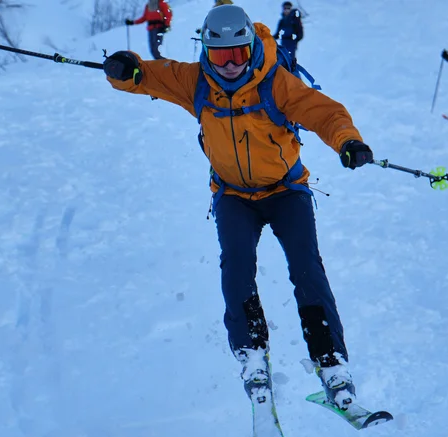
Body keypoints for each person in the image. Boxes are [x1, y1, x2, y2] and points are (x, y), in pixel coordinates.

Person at [102, 4, 375, 410]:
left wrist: (347, 141)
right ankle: (252, 358)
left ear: (250, 48)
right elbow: (146, 77)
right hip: (232, 196)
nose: (229, 64)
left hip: (286, 191)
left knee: (306, 268)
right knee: (237, 266)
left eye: (237, 54)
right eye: (219, 56)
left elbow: (325, 114)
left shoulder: (276, 82)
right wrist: (123, 70)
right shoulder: (194, 81)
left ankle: (331, 363)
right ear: (206, 52)